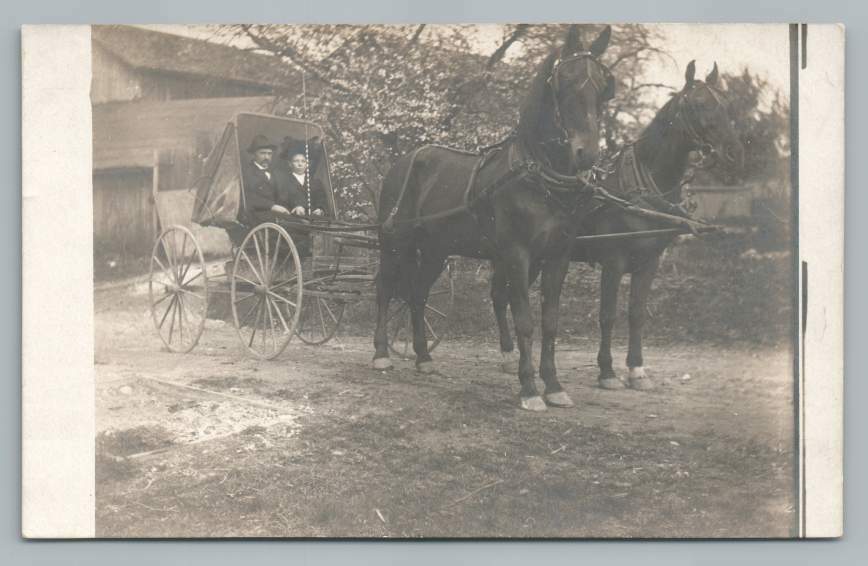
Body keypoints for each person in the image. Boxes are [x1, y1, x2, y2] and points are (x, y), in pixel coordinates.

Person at [279, 151, 328, 218]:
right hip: (293, 218)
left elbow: (322, 199)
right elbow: (282, 201)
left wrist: (320, 209)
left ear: (307, 164)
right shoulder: (284, 181)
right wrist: (295, 207)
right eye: (296, 161)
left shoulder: (315, 182)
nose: (300, 164)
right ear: (290, 164)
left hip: (314, 218)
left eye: (303, 161)